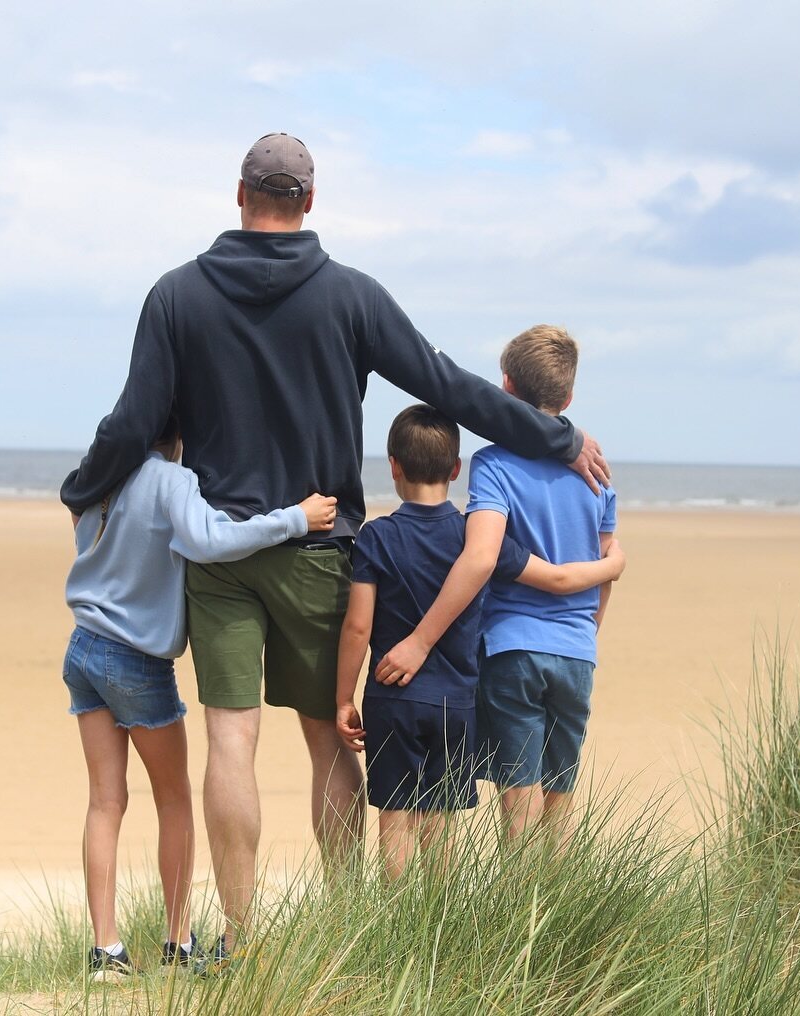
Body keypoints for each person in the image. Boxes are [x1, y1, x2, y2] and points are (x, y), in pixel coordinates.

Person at [60, 133, 610, 968]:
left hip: (221, 555)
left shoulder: (176, 296)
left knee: (231, 742)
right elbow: (449, 384)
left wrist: (82, 487)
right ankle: (350, 932)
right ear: (310, 203)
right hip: (322, 547)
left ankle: (239, 944)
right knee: (327, 738)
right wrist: (554, 436)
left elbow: (136, 423)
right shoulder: (351, 296)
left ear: (239, 194)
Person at [62, 410, 337, 979]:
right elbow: (211, 539)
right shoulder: (169, 479)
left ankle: (105, 951)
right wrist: (294, 519)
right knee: (174, 800)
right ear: (179, 433)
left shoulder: (97, 478)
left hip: (83, 648)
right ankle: (178, 941)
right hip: (135, 660)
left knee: (104, 802)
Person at [334, 405, 625, 879]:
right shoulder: (477, 538)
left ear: (393, 465)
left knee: (396, 819)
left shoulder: (377, 536)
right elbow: (552, 576)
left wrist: (344, 697)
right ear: (455, 469)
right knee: (442, 822)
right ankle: (438, 928)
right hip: (458, 701)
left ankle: (396, 928)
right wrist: (611, 567)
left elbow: (358, 627)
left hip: (392, 698)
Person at [372, 326, 616, 848]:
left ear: (503, 389)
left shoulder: (495, 464)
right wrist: (585, 633)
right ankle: (557, 915)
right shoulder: (598, 473)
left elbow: (481, 557)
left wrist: (420, 640)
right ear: (568, 396)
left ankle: (517, 921)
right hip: (577, 652)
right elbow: (606, 565)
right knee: (561, 796)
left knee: (519, 800)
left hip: (513, 650)